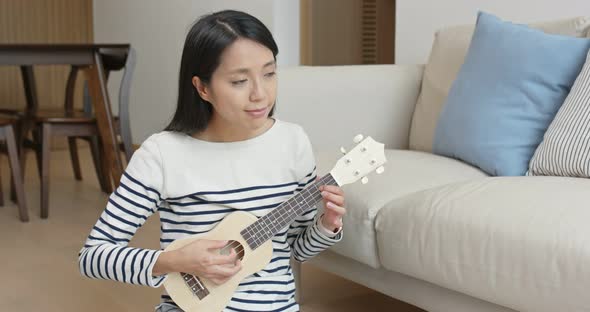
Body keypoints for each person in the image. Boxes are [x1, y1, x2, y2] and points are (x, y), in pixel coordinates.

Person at [78, 9, 346, 312]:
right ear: (202, 87)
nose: (261, 94)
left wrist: (327, 225)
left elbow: (296, 247)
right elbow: (93, 257)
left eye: (269, 73)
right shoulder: (161, 155)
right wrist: (173, 260)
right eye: (239, 81)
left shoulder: (293, 142)